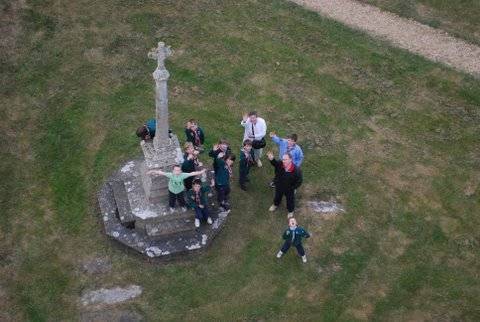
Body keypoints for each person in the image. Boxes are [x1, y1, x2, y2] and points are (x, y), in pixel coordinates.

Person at [267, 151, 302, 217]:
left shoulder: (296, 171)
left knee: (290, 200)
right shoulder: (281, 164)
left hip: (289, 189)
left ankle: (290, 211)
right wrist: (272, 159)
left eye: (285, 159)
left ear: (290, 160)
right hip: (279, 185)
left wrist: (292, 188)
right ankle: (275, 204)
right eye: (283, 159)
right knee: (277, 196)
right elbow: (275, 164)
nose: (283, 161)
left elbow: (299, 181)